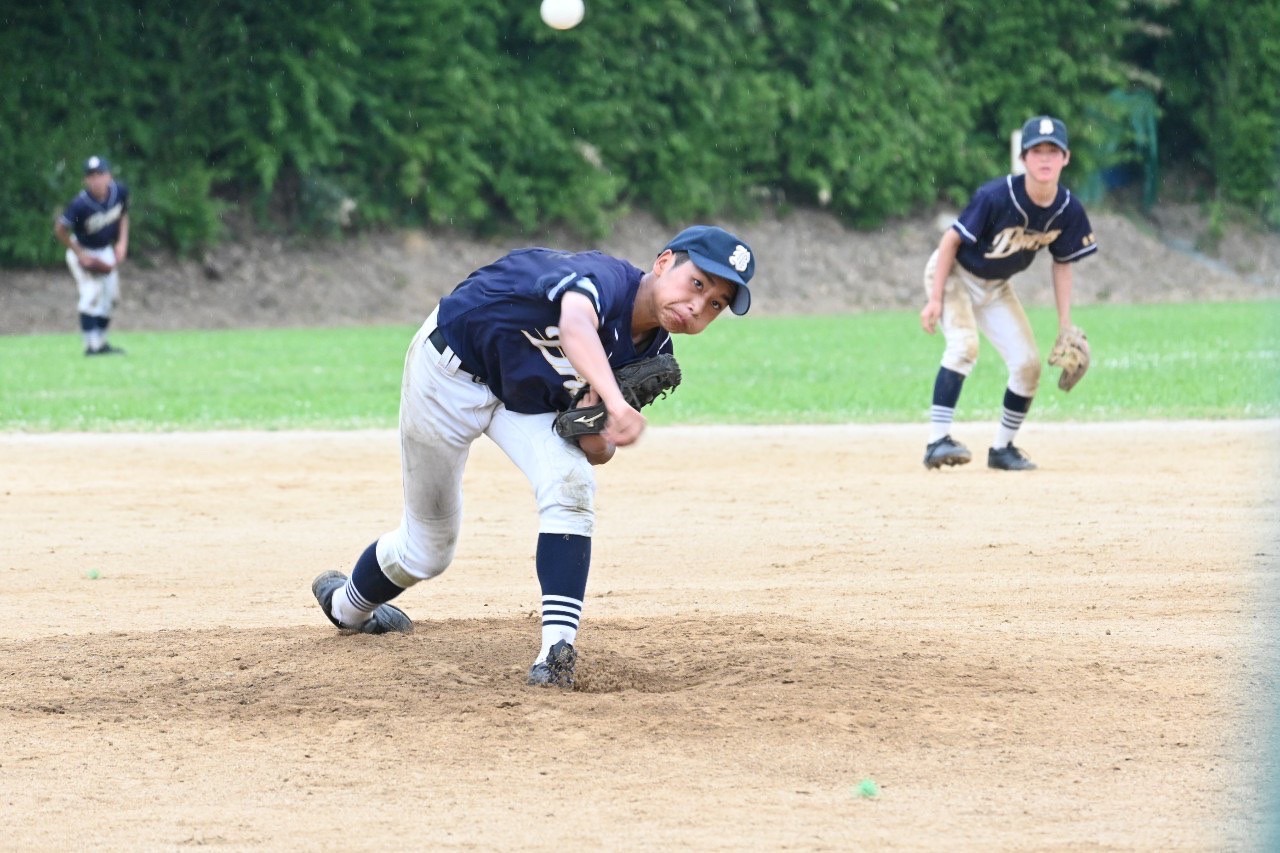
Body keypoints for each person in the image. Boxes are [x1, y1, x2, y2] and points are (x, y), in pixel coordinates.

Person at [311, 225, 756, 688]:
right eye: (698, 284)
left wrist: (598, 423)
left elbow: (596, 450)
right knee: (428, 550)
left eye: (716, 305)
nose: (698, 306)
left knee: (573, 485)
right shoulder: (603, 280)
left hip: (521, 399)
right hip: (446, 374)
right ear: (664, 263)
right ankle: (347, 608)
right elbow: (575, 325)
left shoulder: (655, 351)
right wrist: (615, 401)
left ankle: (555, 653)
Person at [919, 115, 1098, 471]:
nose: (1044, 159)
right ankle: (936, 441)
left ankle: (1002, 449)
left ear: (1066, 158)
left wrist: (1065, 323)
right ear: (1023, 158)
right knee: (964, 346)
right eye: (1037, 151)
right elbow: (951, 240)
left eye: (1053, 151)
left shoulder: (1068, 209)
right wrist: (936, 298)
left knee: (1028, 366)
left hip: (996, 287)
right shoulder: (995, 196)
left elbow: (1062, 263)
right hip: (954, 274)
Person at [54, 155, 131, 356]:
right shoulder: (80, 204)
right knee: (91, 293)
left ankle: (101, 343)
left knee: (112, 299)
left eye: (100, 174)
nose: (96, 179)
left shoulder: (119, 191)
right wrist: (79, 253)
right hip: (82, 250)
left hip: (104, 250)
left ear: (109, 176)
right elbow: (60, 229)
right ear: (85, 180)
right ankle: (90, 346)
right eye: (91, 175)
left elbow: (123, 215)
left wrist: (122, 243)